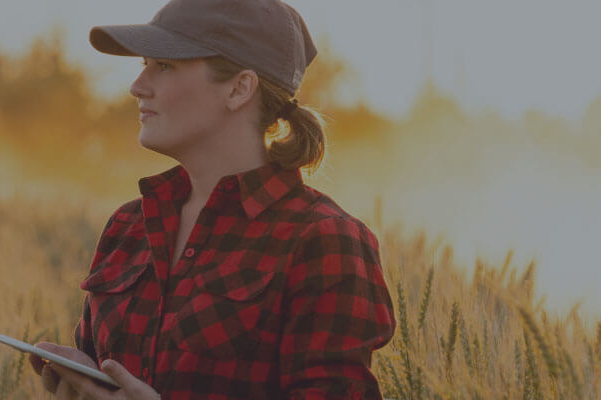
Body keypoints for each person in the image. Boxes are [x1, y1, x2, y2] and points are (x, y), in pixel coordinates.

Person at [28, 0, 396, 398]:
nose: (138, 86)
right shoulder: (127, 227)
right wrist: (87, 378)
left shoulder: (323, 240)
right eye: (143, 65)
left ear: (239, 88)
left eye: (164, 66)